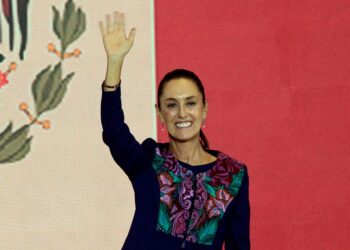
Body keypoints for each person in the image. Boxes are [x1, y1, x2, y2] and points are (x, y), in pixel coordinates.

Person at [99, 11, 250, 250]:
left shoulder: (233, 175)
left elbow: (239, 245)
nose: (181, 113)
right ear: (160, 114)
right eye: (171, 105)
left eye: (190, 103)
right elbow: (114, 132)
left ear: (204, 110)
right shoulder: (149, 161)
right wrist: (115, 65)